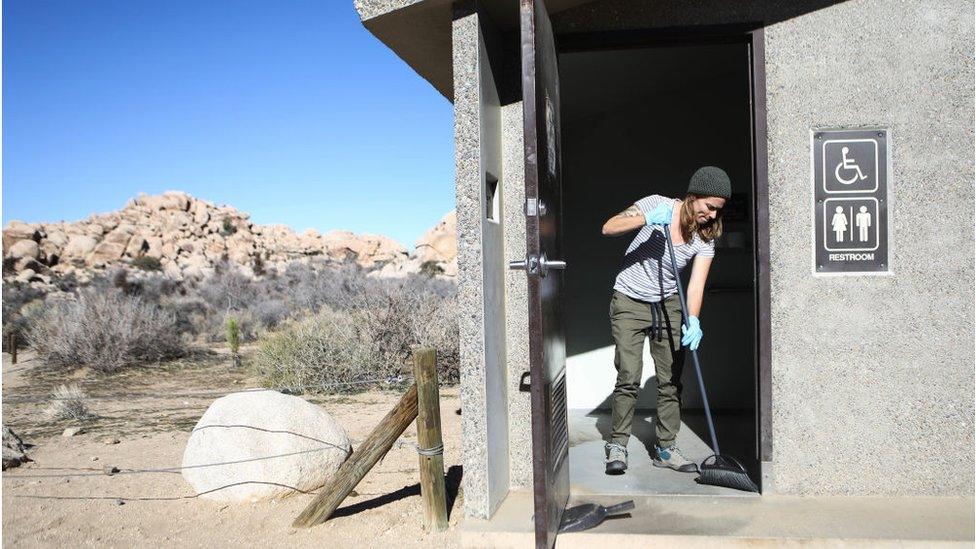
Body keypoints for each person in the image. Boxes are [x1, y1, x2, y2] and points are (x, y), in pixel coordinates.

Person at [599, 166, 729, 475]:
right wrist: (646, 219)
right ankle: (617, 444)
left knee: (671, 378)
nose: (711, 215)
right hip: (629, 299)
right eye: (709, 206)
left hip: (669, 303)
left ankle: (666, 448)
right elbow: (608, 227)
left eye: (717, 211)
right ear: (693, 196)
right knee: (629, 375)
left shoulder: (705, 237)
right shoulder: (655, 204)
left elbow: (695, 285)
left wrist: (693, 320)